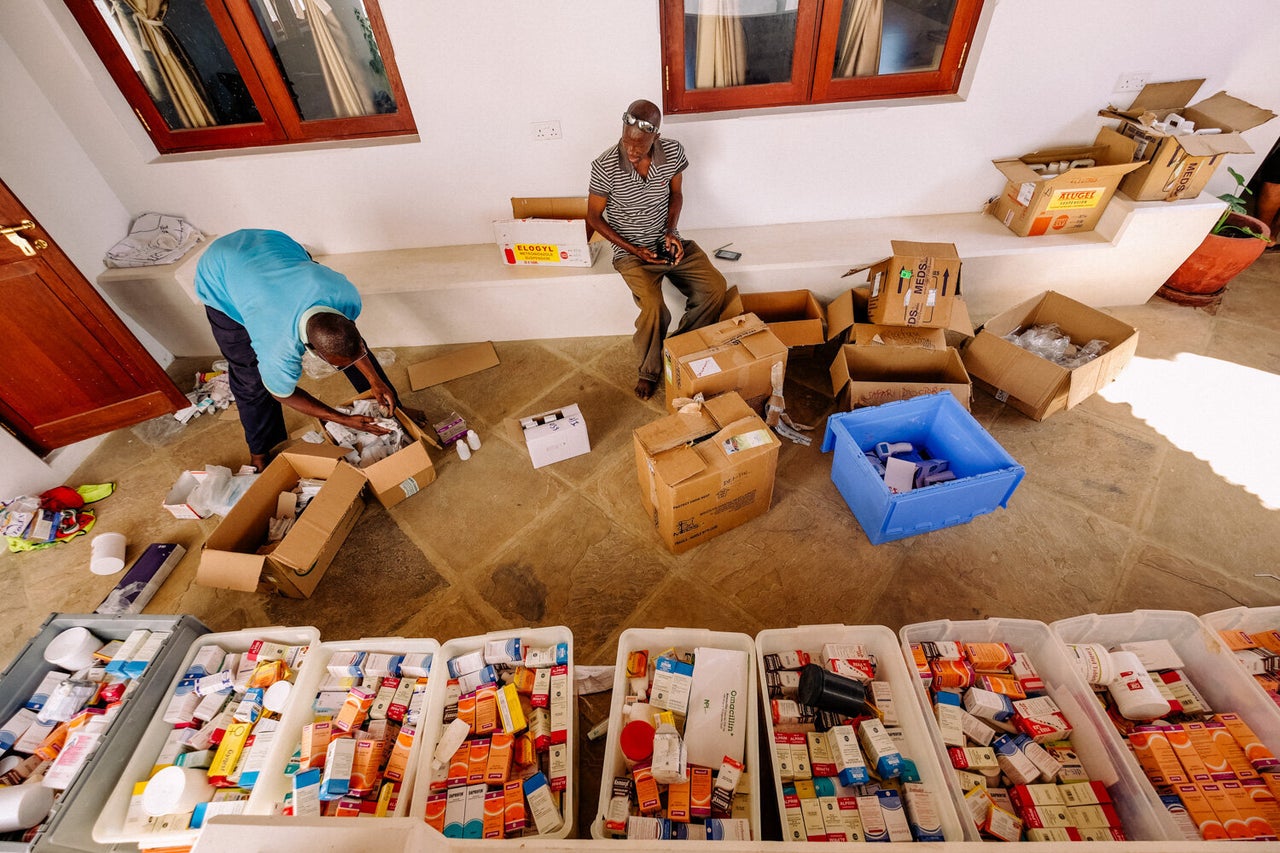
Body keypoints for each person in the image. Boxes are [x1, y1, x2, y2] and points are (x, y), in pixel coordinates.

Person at [194, 229, 422, 471]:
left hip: (270, 244)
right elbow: (281, 393)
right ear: (312, 351)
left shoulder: (345, 295)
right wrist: (341, 418)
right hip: (219, 274)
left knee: (345, 344)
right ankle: (259, 451)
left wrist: (376, 381)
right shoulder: (277, 342)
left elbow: (352, 347)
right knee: (250, 378)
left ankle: (392, 411)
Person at [587, 99, 727, 400]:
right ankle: (648, 371)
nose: (632, 151)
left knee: (715, 287)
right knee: (654, 307)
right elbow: (594, 217)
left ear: (656, 138)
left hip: (666, 241)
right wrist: (633, 249)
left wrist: (670, 232)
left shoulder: (673, 152)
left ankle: (679, 349)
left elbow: (676, 195)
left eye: (640, 145)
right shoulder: (604, 166)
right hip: (630, 253)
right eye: (626, 142)